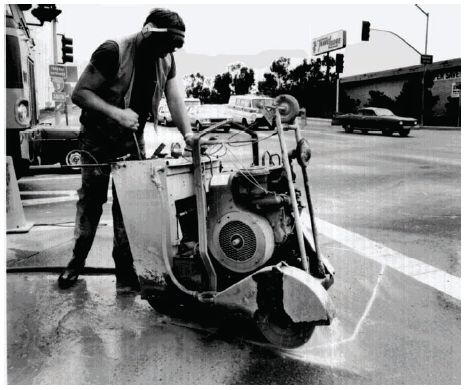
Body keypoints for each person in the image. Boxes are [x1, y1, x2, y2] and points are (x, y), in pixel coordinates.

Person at [58, 8, 194, 291]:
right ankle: (75, 263)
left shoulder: (166, 57)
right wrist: (118, 114)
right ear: (148, 31)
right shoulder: (113, 51)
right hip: (96, 140)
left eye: (174, 46)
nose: (168, 51)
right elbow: (80, 93)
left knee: (129, 208)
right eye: (166, 43)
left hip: (131, 140)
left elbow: (175, 97)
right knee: (92, 203)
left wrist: (189, 133)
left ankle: (125, 270)